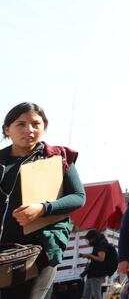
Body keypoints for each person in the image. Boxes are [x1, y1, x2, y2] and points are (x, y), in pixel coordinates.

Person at [0, 102, 86, 299]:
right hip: (2, 253)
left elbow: (78, 197)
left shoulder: (57, 158)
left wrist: (42, 208)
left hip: (39, 252)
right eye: (20, 124)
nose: (29, 130)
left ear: (44, 127)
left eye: (35, 124)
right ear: (7, 129)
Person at [81, 229, 112, 299]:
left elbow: (101, 258)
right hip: (92, 273)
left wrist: (89, 255)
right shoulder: (98, 243)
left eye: (90, 239)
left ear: (94, 238)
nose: (89, 241)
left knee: (96, 295)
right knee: (86, 295)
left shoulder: (102, 244)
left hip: (97, 274)